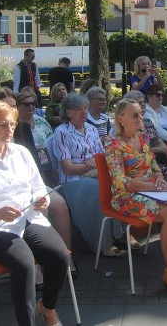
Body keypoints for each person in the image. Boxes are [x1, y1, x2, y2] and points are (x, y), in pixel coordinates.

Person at [0, 101, 68, 326]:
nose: (9, 129)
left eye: (12, 124)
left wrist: (42, 199)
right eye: (1, 124)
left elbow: (39, 187)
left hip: (28, 218)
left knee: (60, 256)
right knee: (24, 263)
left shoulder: (22, 153)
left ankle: (47, 307)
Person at [104, 99, 167, 300]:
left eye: (141, 113)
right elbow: (121, 181)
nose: (141, 117)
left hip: (151, 190)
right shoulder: (113, 144)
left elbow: (154, 167)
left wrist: (158, 178)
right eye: (135, 115)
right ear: (120, 119)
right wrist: (154, 186)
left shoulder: (143, 138)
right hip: (126, 197)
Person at [0, 88, 77, 280]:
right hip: (3, 191)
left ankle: (67, 257)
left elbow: (33, 161)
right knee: (40, 210)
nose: (11, 112)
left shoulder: (22, 127)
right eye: (7, 107)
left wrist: (39, 189)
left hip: (30, 181)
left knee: (60, 205)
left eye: (14, 107)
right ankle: (38, 266)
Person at [52, 93, 123, 256]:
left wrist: (95, 162)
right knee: (99, 189)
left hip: (94, 173)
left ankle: (119, 233)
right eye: (78, 109)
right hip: (72, 181)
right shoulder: (61, 132)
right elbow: (67, 168)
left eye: (85, 108)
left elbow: (102, 155)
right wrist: (90, 163)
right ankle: (102, 243)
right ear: (68, 113)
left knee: (119, 184)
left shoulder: (91, 129)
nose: (84, 112)